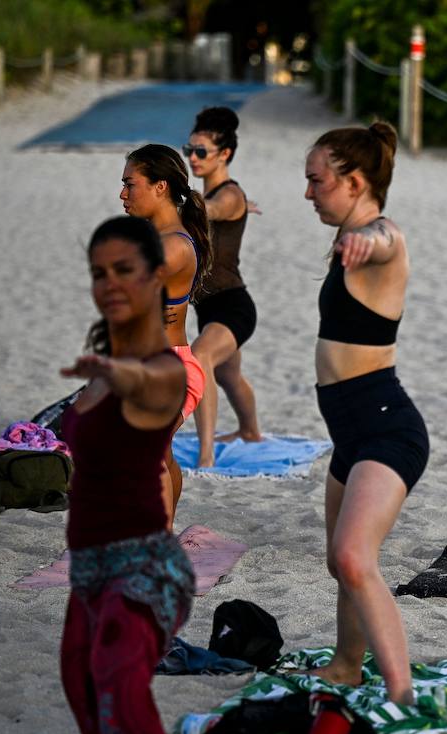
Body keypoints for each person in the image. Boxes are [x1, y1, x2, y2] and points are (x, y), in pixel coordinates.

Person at [59, 216, 194, 734]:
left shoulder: (160, 369)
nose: (109, 282)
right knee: (83, 689)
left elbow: (156, 387)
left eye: (124, 270)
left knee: (116, 669)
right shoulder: (105, 365)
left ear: (153, 277)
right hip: (86, 569)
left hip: (149, 567)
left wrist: (122, 377)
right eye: (98, 272)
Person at [304, 122, 428, 707]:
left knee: (356, 558)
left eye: (317, 181)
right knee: (340, 563)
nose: (309, 193)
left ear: (354, 182)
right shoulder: (348, 234)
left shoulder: (384, 237)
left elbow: (383, 236)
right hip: (350, 435)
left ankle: (400, 693)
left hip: (386, 428)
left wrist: (364, 241)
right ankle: (348, 664)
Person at [120, 143, 213, 514]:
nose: (123, 193)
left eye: (131, 183)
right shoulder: (160, 240)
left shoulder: (171, 247)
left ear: (160, 187)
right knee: (162, 454)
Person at [185, 107, 263, 468]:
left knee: (200, 357)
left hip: (233, 306)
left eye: (201, 152)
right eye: (189, 150)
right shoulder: (228, 197)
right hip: (208, 308)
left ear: (225, 154)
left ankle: (205, 456)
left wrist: (169, 198)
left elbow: (212, 208)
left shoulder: (228, 195)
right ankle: (250, 431)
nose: (193, 158)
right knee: (228, 375)